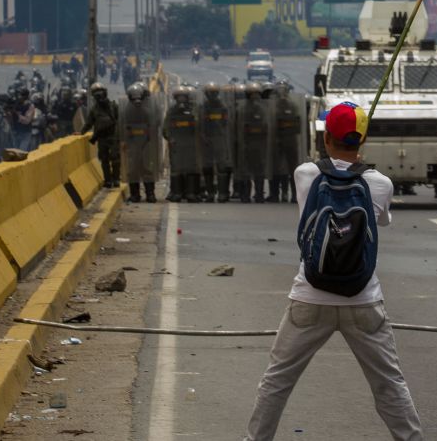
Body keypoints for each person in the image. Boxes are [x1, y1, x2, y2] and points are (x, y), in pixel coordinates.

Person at [242, 102, 423, 441]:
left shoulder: (305, 174)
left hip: (309, 298)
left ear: (325, 137)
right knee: (389, 385)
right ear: (363, 140)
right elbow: (381, 219)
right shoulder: (380, 183)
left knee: (276, 382)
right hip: (363, 300)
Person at [120, 83, 158, 203]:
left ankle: (150, 193)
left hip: (147, 143)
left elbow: (155, 125)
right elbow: (123, 127)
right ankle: (135, 194)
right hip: (133, 144)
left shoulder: (150, 109)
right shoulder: (126, 110)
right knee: (133, 170)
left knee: (147, 168)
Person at [162, 85, 200, 202]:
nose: (181, 100)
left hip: (191, 145)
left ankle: (191, 193)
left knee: (191, 169)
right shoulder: (172, 111)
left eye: (184, 97)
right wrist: (170, 138)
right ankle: (177, 192)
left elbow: (200, 126)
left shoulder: (194, 110)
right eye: (179, 97)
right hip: (177, 146)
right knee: (176, 170)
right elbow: (165, 128)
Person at [198, 82, 233, 203]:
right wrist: (203, 136)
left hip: (219, 139)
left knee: (221, 167)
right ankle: (210, 193)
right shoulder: (203, 107)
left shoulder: (222, 107)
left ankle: (222, 193)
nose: (211, 95)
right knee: (207, 168)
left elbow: (226, 124)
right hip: (207, 140)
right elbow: (200, 124)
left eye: (213, 92)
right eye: (209, 92)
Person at [81, 82, 121, 188]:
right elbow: (89, 123)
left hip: (113, 136)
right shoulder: (94, 109)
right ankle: (108, 180)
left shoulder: (113, 106)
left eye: (101, 93)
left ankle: (116, 179)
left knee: (115, 158)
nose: (99, 96)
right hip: (102, 138)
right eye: (96, 94)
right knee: (104, 159)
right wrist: (81, 132)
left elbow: (120, 120)